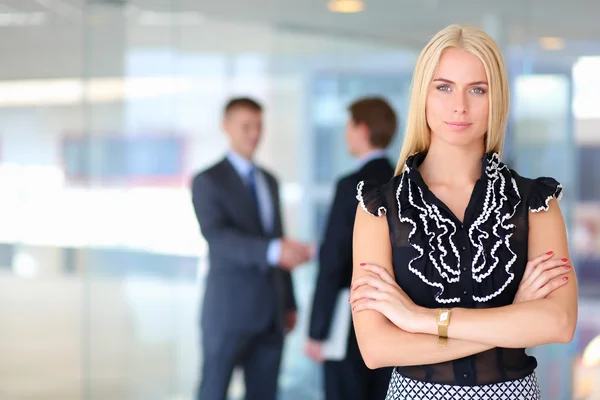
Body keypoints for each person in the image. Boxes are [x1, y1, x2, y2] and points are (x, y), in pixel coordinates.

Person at [349, 25, 577, 399]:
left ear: (497, 98)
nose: (460, 105)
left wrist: (419, 320)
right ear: (422, 94)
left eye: (478, 89)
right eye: (444, 87)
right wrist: (512, 320)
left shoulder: (536, 203)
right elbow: (377, 349)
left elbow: (560, 323)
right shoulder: (378, 209)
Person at [191, 97, 312, 400]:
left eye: (258, 125)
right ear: (226, 127)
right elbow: (217, 237)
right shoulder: (208, 180)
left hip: (271, 314)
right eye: (246, 126)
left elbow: (278, 238)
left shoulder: (269, 181)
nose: (254, 133)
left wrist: (290, 302)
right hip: (228, 313)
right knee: (213, 392)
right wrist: (272, 252)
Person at [305, 97, 397, 400]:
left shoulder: (351, 185)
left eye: (348, 126)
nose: (345, 134)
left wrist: (317, 331)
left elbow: (333, 262)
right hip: (400, 318)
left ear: (362, 129)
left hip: (351, 320)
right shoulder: (407, 182)